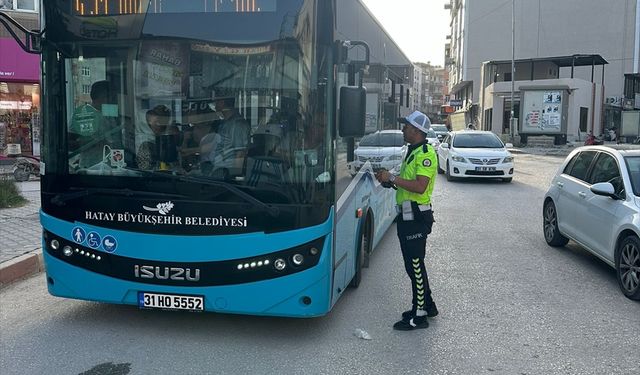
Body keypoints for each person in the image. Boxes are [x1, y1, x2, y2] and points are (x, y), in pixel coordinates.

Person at [375, 110, 439, 331]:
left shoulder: (425, 153)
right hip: (407, 213)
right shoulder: (412, 152)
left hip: (416, 216)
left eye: (406, 126)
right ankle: (428, 305)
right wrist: (389, 181)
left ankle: (419, 315)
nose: (403, 129)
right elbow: (407, 184)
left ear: (417, 131)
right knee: (413, 265)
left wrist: (392, 177)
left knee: (415, 265)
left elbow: (420, 186)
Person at [208, 91, 250, 177]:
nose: (214, 105)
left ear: (222, 102)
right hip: (217, 170)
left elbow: (240, 153)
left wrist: (234, 178)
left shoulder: (238, 124)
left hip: (226, 175)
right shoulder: (224, 123)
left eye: (216, 101)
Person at [136, 105, 175, 170]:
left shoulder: (164, 139)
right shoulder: (143, 142)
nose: (159, 125)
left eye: (162, 122)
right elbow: (145, 169)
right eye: (156, 121)